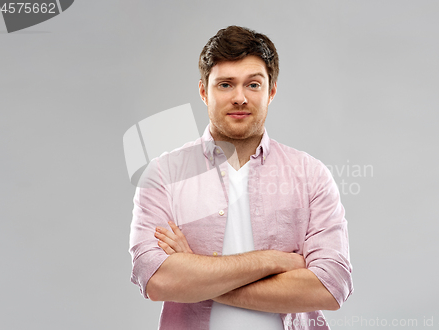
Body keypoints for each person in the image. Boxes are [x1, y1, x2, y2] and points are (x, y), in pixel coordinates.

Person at [129, 25, 353, 330]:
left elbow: (331, 285)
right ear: (203, 91)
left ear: (271, 91)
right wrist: (274, 261)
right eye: (225, 85)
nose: (239, 97)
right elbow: (156, 279)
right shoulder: (163, 174)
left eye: (253, 85)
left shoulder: (311, 175)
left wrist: (197, 275)